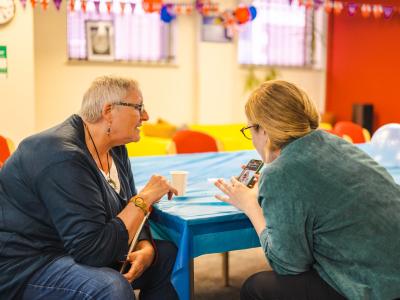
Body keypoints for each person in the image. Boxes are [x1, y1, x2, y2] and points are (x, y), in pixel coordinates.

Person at [215, 80, 400, 299]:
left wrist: (250, 204)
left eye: (250, 130)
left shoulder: (280, 172)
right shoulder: (336, 143)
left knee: (254, 287)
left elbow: (288, 264)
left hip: (374, 288)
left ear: (263, 131)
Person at [0, 76, 179, 299]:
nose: (146, 116)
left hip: (72, 249)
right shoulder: (61, 156)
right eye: (139, 107)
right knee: (111, 287)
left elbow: (126, 207)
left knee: (165, 255)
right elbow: (92, 252)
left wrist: (145, 247)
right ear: (108, 111)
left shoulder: (116, 149)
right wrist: (144, 199)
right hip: (28, 264)